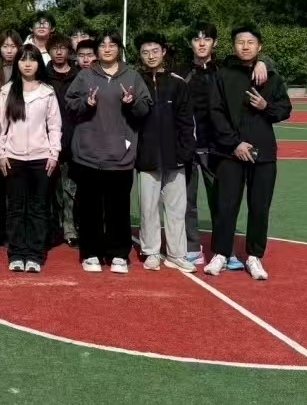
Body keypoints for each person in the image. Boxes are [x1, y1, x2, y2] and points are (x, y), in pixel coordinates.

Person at [177, 23, 269, 269]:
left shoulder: (226, 68)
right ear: (190, 43)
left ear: (215, 43)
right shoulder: (180, 72)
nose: (201, 44)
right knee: (187, 201)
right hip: (187, 146)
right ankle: (192, 248)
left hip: (218, 147)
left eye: (207, 39)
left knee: (222, 202)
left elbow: (252, 59)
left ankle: (224, 250)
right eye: (196, 39)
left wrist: (264, 62)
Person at [205, 25, 292, 281]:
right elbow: (215, 112)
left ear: (259, 46)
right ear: (233, 46)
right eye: (240, 42)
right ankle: (221, 254)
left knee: (259, 206)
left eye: (250, 42)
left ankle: (254, 256)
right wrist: (234, 144)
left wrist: (266, 106)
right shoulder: (222, 75)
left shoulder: (271, 76)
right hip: (231, 152)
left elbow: (285, 109)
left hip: (263, 153)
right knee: (225, 205)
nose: (245, 46)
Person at [65, 30, 152, 274]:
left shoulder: (132, 76)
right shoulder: (85, 76)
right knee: (90, 207)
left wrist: (132, 102)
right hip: (88, 154)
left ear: (119, 49)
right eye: (102, 45)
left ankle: (118, 254)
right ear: (97, 51)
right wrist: (86, 103)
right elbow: (70, 105)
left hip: (120, 155)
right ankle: (91, 253)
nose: (107, 49)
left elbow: (145, 109)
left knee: (118, 208)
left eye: (112, 45)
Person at [133, 32, 196, 273]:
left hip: (175, 156)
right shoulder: (135, 82)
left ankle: (176, 253)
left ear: (164, 52)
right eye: (145, 52)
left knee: (176, 209)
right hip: (147, 157)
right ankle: (151, 251)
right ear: (140, 55)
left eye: (155, 51)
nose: (150, 56)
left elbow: (186, 122)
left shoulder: (178, 83)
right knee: (148, 208)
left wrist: (185, 152)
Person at [0, 45, 62, 273]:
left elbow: (54, 126)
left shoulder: (47, 92)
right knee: (16, 208)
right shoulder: (7, 91)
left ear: (38, 64)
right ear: (16, 63)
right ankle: (16, 254)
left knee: (37, 208)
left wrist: (54, 153)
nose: (27, 64)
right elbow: (1, 126)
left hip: (41, 158)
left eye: (32, 59)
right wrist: (1, 153)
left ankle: (35, 254)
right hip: (13, 158)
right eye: (23, 59)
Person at [0, 29, 21, 245]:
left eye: (13, 46)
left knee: (14, 191)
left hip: (17, 139)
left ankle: (13, 232)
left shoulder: (25, 71)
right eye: (5, 46)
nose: (9, 50)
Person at [45, 33, 78, 248]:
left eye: (63, 48)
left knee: (70, 190)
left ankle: (70, 228)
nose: (58, 52)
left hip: (72, 141)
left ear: (69, 51)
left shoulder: (78, 76)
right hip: (46, 142)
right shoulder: (42, 76)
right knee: (50, 190)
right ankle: (52, 228)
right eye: (54, 48)